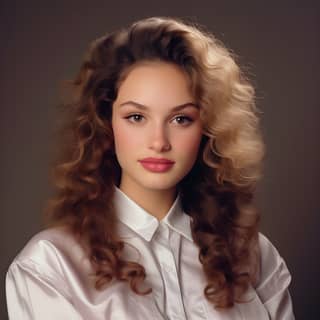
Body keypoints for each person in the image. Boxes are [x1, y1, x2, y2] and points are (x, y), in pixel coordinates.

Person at [5, 16, 295, 319]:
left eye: (180, 119)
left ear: (208, 128)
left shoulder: (254, 256)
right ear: (107, 123)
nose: (159, 142)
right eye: (136, 117)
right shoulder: (50, 265)